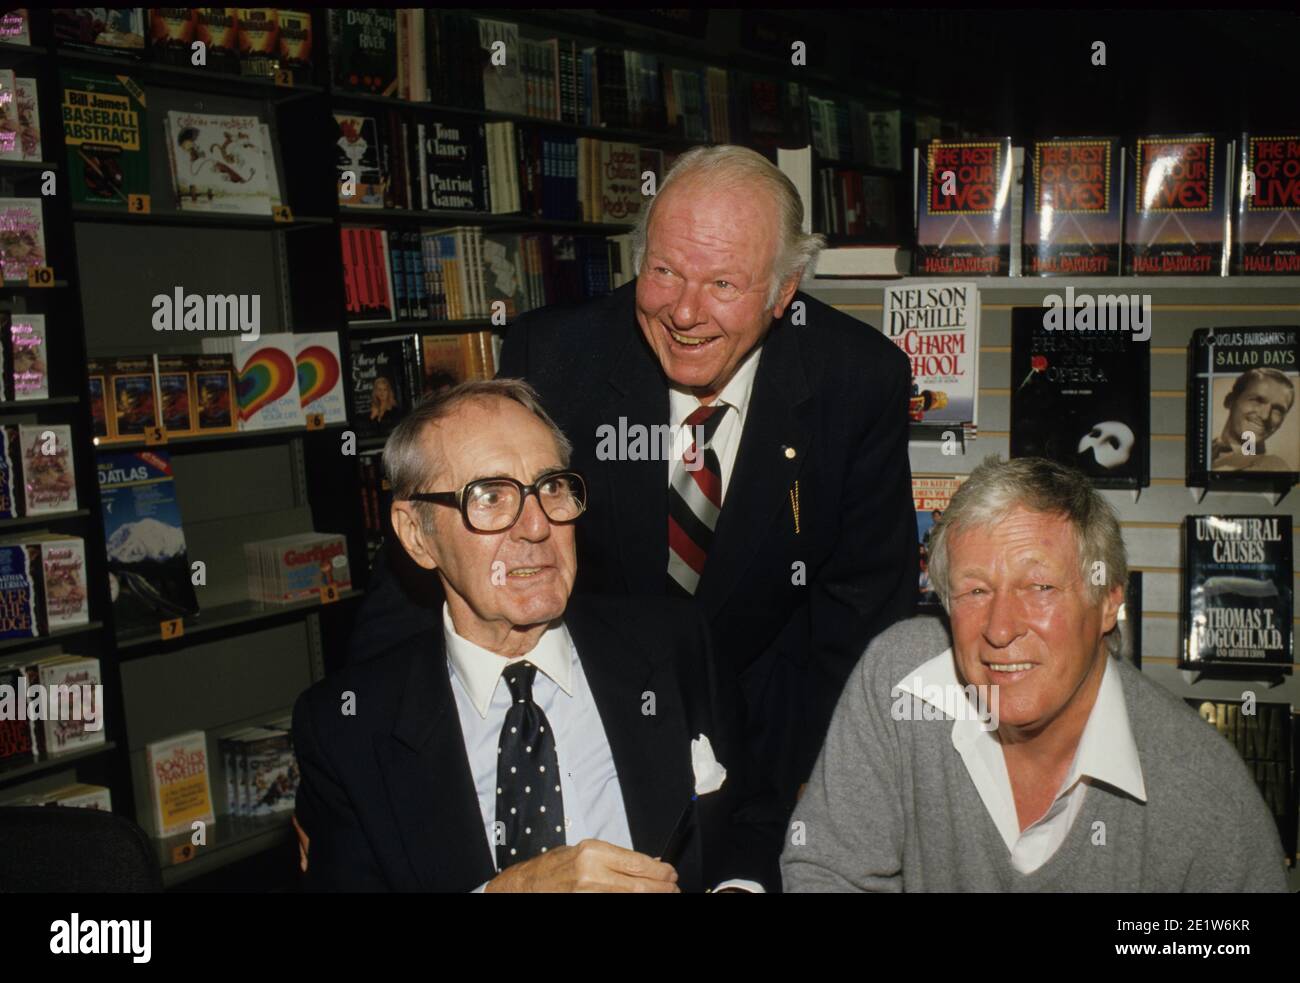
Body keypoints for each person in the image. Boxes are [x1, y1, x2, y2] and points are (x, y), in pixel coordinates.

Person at [355, 145, 917, 815]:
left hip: (772, 736)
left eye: (724, 285)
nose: (684, 312)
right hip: (589, 734)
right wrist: (354, 755)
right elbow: (434, 554)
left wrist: (830, 780)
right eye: (665, 271)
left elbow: (863, 609)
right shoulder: (558, 357)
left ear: (783, 290)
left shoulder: (855, 378)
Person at [293, 380, 781, 891]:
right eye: (489, 496)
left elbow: (752, 817)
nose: (536, 526)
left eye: (552, 487)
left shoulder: (673, 644)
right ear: (417, 535)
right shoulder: (348, 729)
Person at [781, 457, 1289, 892]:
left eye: (1039, 586)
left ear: (1109, 600)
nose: (1000, 629)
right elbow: (827, 869)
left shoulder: (1204, 790)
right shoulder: (898, 677)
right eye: (975, 591)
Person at [1211, 367, 1295, 472]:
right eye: (1257, 400)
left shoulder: (1273, 468)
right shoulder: (1207, 449)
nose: (1265, 416)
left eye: (1277, 410)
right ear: (1230, 401)